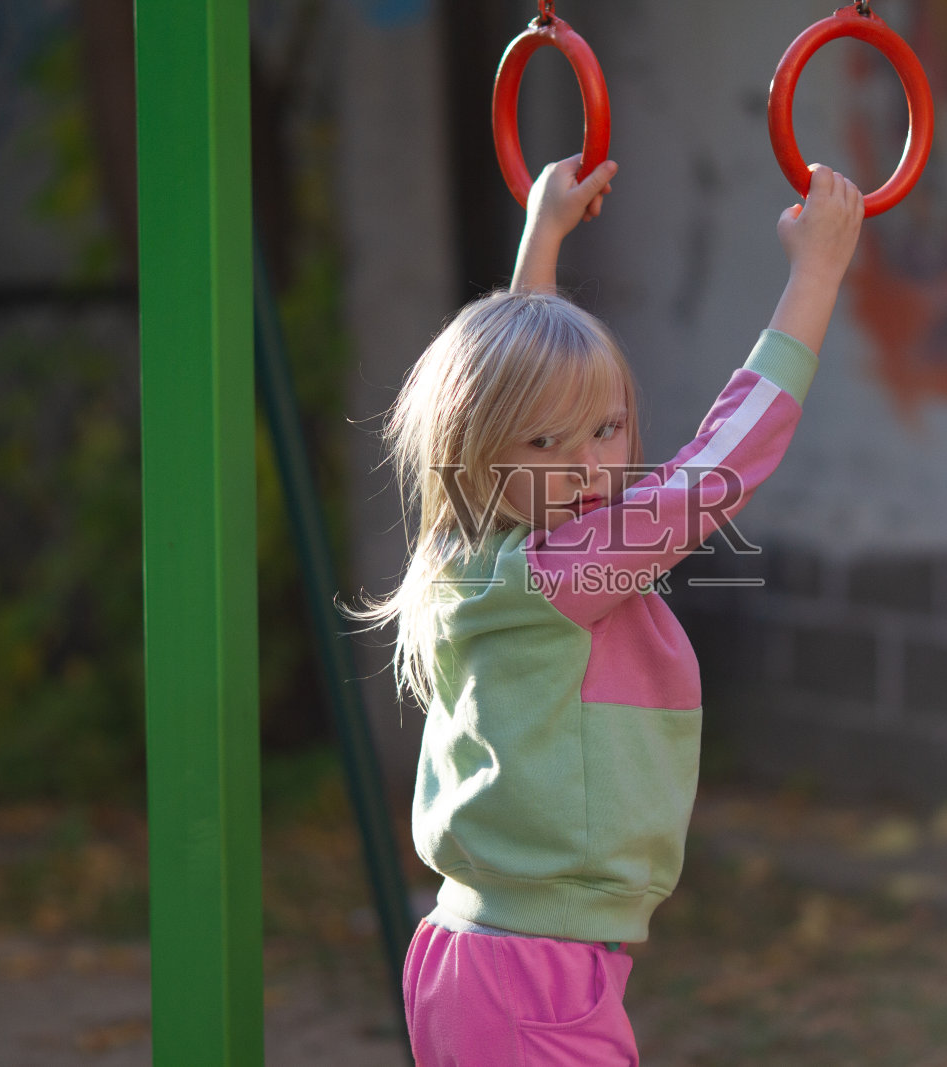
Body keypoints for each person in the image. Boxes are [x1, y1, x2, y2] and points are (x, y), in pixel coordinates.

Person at [365, 152, 865, 1065]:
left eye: (608, 427)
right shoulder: (564, 567)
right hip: (527, 973)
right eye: (553, 443)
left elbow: (510, 388)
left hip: (487, 957)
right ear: (482, 457)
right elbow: (723, 463)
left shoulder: (474, 544)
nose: (593, 467)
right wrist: (817, 273)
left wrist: (541, 235)